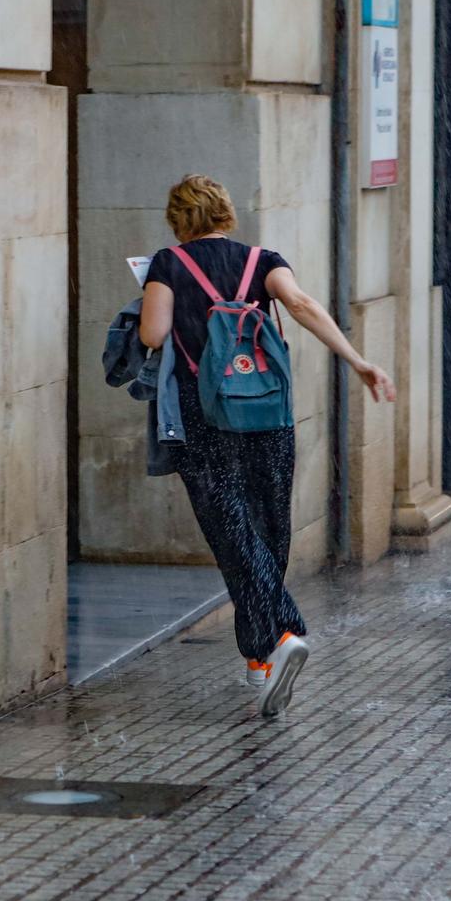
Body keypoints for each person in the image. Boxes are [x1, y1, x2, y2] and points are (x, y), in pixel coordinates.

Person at [138, 175, 396, 718]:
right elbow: (302, 305)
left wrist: (158, 302)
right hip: (267, 411)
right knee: (267, 530)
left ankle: (282, 636)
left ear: (179, 219)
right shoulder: (262, 261)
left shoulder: (167, 264)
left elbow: (153, 336)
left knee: (231, 531)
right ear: (226, 214)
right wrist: (357, 361)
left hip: (201, 416)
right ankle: (260, 658)